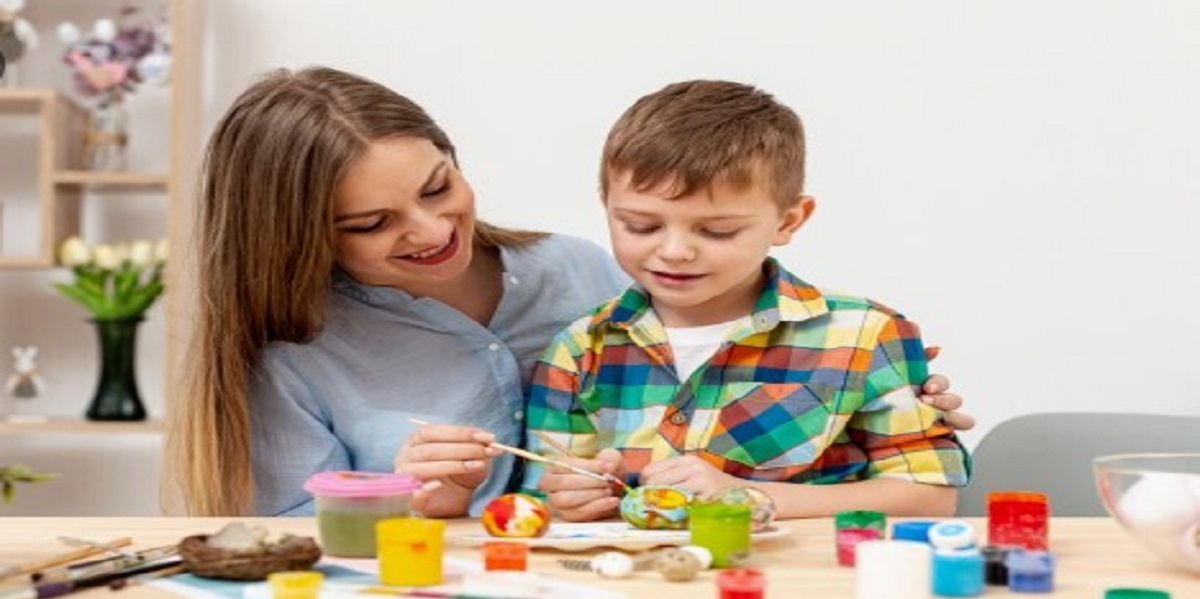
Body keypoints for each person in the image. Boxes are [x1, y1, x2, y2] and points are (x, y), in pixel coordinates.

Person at [167, 67, 971, 518]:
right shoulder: (295, 352)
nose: (429, 229)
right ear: (302, 236)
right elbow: (288, 547)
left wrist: (882, 390)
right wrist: (419, 503)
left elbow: (737, 355)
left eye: (438, 186)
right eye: (373, 223)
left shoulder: (583, 274)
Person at [524, 79, 970, 521]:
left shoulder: (864, 335)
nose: (675, 251)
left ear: (788, 221)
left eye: (717, 232)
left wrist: (749, 496)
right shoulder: (579, 350)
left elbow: (929, 496)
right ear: (606, 205)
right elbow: (540, 502)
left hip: (801, 567)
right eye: (642, 226)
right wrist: (571, 499)